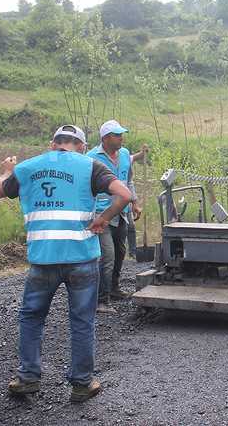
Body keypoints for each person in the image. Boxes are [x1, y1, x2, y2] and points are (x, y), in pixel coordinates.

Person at [0, 124, 132, 402]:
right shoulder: (90, 166)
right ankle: (82, 383)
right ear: (81, 146)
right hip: (82, 258)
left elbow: (0, 191)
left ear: (52, 143)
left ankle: (27, 378)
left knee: (32, 318)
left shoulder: (29, 167)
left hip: (43, 259)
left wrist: (7, 170)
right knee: (82, 320)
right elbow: (125, 195)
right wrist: (104, 219)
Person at [87, 120, 142, 312]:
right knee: (107, 255)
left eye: (121, 134)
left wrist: (134, 202)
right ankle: (101, 300)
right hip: (102, 214)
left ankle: (114, 288)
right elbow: (85, 188)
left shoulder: (126, 154)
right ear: (105, 138)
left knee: (120, 252)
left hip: (122, 213)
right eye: (117, 135)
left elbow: (129, 181)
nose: (121, 137)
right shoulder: (91, 158)